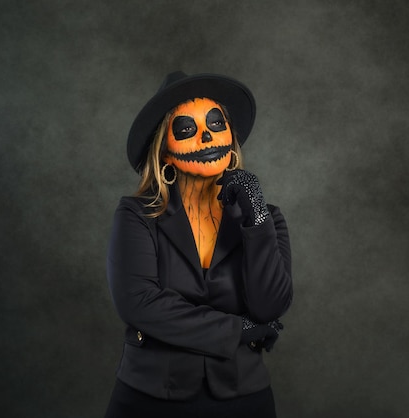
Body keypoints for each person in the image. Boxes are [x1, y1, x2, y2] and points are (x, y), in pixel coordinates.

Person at [104, 71, 293, 418]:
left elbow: (270, 307)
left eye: (216, 123)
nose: (207, 137)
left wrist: (256, 217)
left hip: (244, 396)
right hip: (150, 397)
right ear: (165, 152)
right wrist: (239, 329)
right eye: (187, 130)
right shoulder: (136, 215)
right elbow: (140, 304)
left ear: (232, 138)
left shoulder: (266, 218)